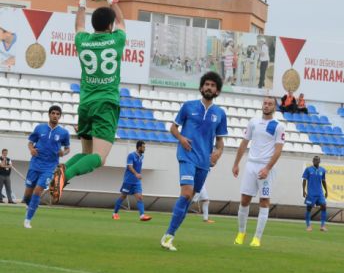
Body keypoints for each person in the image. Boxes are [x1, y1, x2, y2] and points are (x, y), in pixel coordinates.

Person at [49, 0, 126, 204]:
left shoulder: (83, 41)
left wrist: (82, 1)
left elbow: (78, 27)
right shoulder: (117, 39)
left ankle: (61, 171)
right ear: (110, 26)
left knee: (87, 153)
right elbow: (122, 21)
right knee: (99, 159)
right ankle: (66, 174)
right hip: (106, 103)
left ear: (94, 24)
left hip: (86, 104)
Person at [161, 71, 228, 251]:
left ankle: (170, 234)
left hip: (203, 162)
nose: (209, 87)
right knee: (186, 193)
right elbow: (173, 128)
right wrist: (182, 139)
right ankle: (168, 235)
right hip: (186, 155)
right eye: (206, 84)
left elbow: (220, 142)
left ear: (217, 91)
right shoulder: (188, 106)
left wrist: (217, 154)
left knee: (190, 198)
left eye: (213, 85)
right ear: (201, 87)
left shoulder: (220, 114)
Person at [232, 97, 285, 247]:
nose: (267, 106)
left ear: (274, 107)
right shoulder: (253, 122)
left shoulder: (278, 126)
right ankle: (241, 233)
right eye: (265, 103)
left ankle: (257, 238)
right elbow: (244, 143)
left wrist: (267, 168)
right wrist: (236, 163)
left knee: (264, 201)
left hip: (266, 167)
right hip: (251, 165)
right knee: (244, 200)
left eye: (270, 104)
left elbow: (278, 150)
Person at [23, 106, 70, 228]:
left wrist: (63, 153)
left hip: (49, 167)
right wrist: (31, 149)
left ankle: (28, 220)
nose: (55, 115)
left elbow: (67, 149)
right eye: (53, 113)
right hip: (35, 164)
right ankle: (31, 205)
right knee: (27, 194)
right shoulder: (39, 128)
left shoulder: (64, 133)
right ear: (49, 115)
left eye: (57, 114)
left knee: (38, 190)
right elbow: (30, 142)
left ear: (60, 116)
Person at [112, 141, 152, 221]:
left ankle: (142, 215)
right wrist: (136, 174)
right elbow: (130, 167)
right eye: (143, 147)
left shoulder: (141, 156)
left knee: (139, 197)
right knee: (123, 196)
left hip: (136, 182)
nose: (145, 149)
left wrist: (137, 176)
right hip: (128, 181)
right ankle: (115, 213)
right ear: (139, 147)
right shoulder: (131, 155)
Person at [302, 156, 328, 232]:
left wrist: (326, 191)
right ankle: (308, 226)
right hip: (311, 193)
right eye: (314, 160)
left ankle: (322, 226)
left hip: (320, 193)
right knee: (309, 208)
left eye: (317, 160)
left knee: (324, 206)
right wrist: (304, 191)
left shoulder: (322, 170)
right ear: (312, 161)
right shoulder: (308, 169)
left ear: (319, 161)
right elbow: (304, 180)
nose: (315, 161)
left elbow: (323, 181)